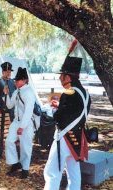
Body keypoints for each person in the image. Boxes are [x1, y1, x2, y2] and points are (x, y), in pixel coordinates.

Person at [43, 56, 91, 190]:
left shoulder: (68, 93)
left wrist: (52, 109)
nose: (60, 79)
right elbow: (74, 112)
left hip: (64, 138)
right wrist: (60, 106)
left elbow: (59, 118)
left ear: (68, 77)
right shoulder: (85, 94)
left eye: (62, 76)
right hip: (78, 138)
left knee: (52, 172)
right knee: (74, 174)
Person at [4, 67, 36, 179]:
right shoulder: (17, 91)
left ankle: (25, 169)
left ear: (25, 80)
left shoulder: (29, 92)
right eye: (15, 80)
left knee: (25, 147)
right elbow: (9, 105)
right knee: (9, 141)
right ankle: (15, 163)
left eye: (18, 80)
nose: (15, 82)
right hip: (16, 122)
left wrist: (22, 127)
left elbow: (28, 112)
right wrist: (7, 94)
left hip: (26, 123)